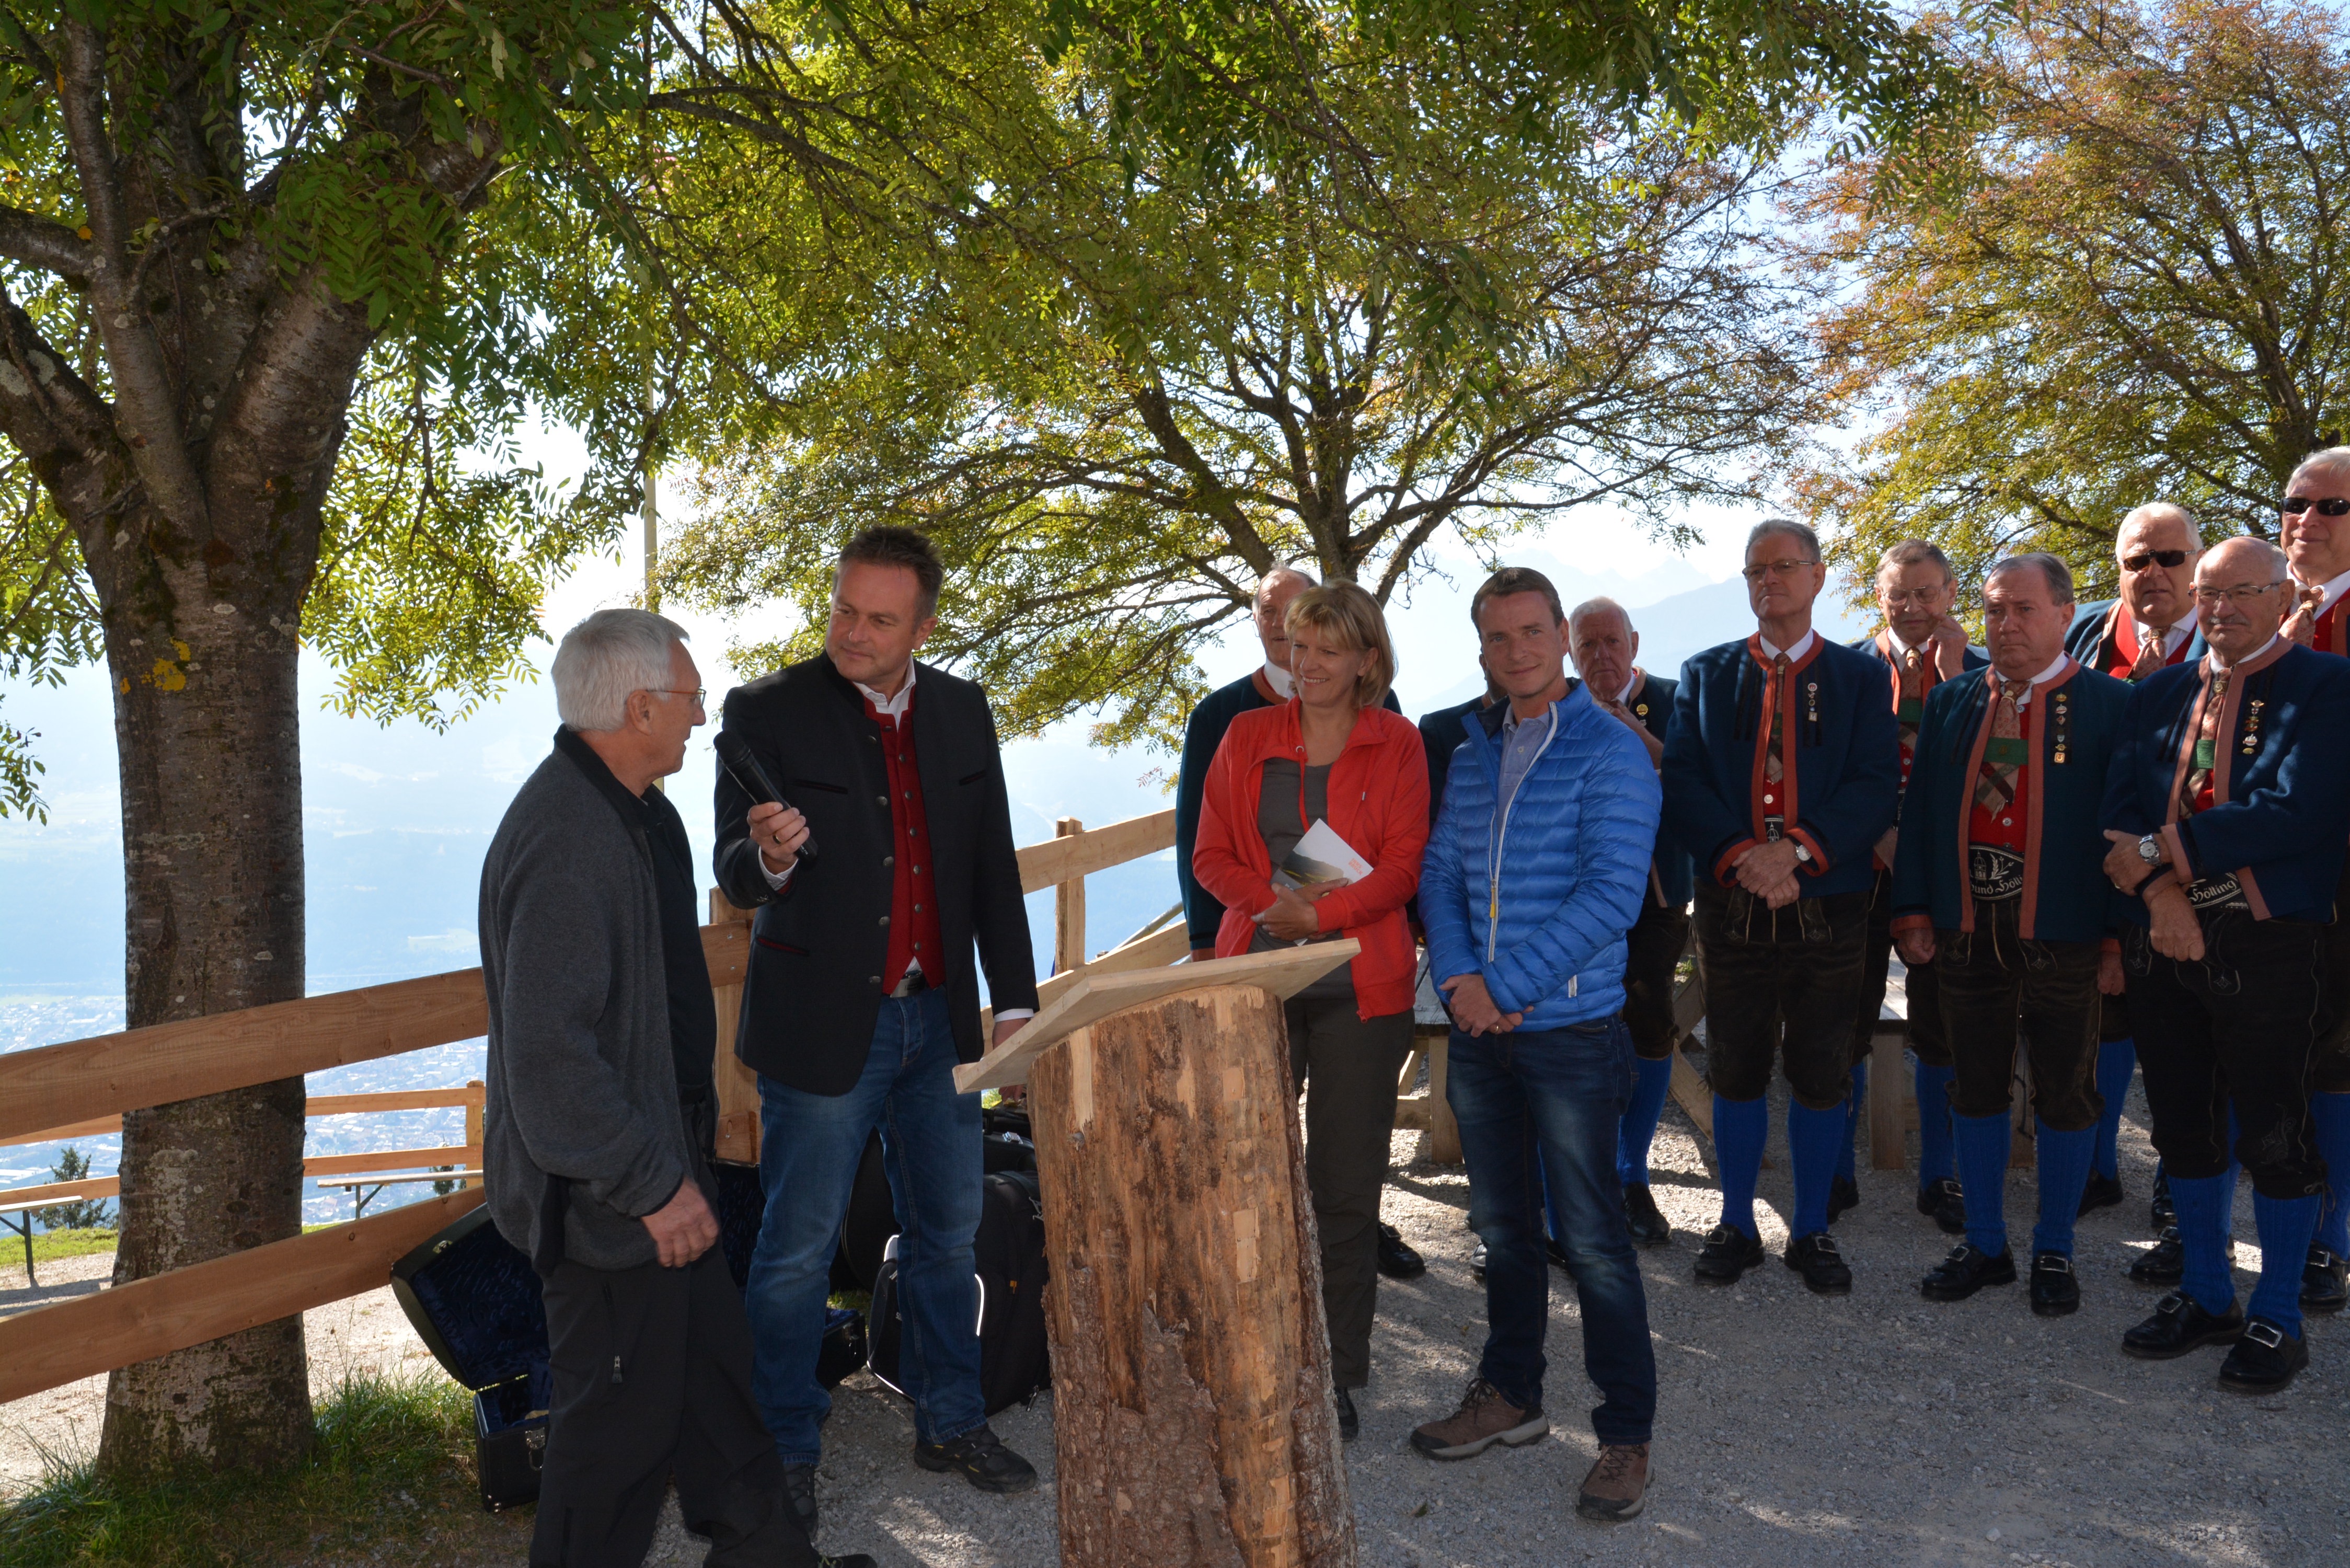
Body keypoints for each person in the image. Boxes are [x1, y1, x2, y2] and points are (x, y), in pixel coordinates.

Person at [479, 609, 869, 1568]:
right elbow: (550, 1063)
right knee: (612, 1439)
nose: (701, 717)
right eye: (690, 699)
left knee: (717, 1395)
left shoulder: (640, 812)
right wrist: (653, 1186)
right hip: (610, 1203)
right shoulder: (567, 839)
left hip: (660, 1160)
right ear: (640, 707)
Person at [713, 527, 1042, 1537]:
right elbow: (732, 871)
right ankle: (783, 1447)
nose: (853, 632)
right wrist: (769, 861)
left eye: (879, 620)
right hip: (821, 1030)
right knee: (795, 1252)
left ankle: (951, 1418)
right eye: (844, 610)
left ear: (923, 628)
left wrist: (1016, 1003)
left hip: (938, 1022)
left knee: (948, 1231)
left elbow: (990, 864)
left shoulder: (963, 709)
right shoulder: (764, 711)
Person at [1412, 566, 1662, 1523]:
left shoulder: (1612, 750)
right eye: (1497, 637)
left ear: (1562, 636)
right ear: (1481, 649)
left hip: (1569, 1036)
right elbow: (1440, 872)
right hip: (1483, 1034)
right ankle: (1511, 1397)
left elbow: (1612, 896)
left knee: (1593, 1243)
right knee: (1503, 1230)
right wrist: (1462, 984)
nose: (1515, 651)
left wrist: (1503, 989)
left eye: (1531, 631)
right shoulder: (1473, 751)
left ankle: (1626, 1435)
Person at [2101, 535, 2350, 1392]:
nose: (2223, 607)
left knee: (2276, 1129)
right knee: (2182, 1124)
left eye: (2244, 591)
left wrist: (2158, 854)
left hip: (2270, 940)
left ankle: (2279, 1314)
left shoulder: (2328, 685)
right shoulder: (2157, 691)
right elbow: (2117, 814)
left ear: (2282, 598)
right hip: (2161, 937)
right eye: (2210, 592)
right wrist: (2164, 899)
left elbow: (2299, 809)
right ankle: (2209, 1293)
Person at [1191, 582, 1429, 1444]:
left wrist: (1319, 915)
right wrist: (1276, 909)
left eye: (1329, 649)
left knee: (1344, 1186)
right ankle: (1247, 1360)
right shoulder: (1247, 734)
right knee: (1244, 1176)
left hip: (1363, 984)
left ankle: (1334, 1372)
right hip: (1257, 974)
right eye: (1300, 646)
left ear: (1367, 659)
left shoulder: (1398, 740)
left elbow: (1403, 865)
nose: (1310, 663)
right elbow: (1211, 854)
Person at [1661, 521, 1900, 1295]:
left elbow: (1875, 784)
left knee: (1822, 1069)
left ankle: (1811, 1229)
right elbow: (1683, 781)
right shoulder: (1706, 673)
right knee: (1735, 1065)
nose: (1769, 581)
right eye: (1755, 570)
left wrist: (1794, 852)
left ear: (1818, 577)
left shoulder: (1861, 677)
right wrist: (1744, 856)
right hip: (1732, 906)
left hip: (1830, 903)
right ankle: (1735, 1223)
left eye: (1785, 567)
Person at [1890, 556, 2132, 1316]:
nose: (2007, 625)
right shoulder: (1952, 699)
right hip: (1966, 928)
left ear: (2064, 614)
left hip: (2067, 932)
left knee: (2066, 1092)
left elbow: (2126, 828)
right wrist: (1913, 910)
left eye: (2024, 610)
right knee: (1976, 1085)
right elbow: (1920, 814)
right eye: (1995, 610)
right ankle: (1986, 1243)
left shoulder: (2111, 703)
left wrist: (2117, 940)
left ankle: (2054, 1246)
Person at [2065, 502, 2208, 1229]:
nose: (2152, 572)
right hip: (2091, 861)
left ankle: (2177, 1190)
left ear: (2197, 565)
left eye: (2169, 558)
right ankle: (2097, 1167)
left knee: (2189, 1046)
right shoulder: (2086, 630)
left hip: (2196, 874)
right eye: (2135, 560)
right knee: (2102, 1019)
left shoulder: (2231, 633)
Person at [1849, 539, 1984, 1235]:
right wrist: (1877, 831)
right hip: (1858, 867)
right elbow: (1828, 773)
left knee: (1943, 1023)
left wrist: (1956, 677)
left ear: (1951, 594)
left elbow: (1988, 776)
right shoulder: (1846, 671)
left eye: (1925, 593)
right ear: (1879, 597)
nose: (1911, 607)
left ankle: (1941, 1171)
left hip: (1944, 873)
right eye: (1898, 594)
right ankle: (1835, 1168)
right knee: (1845, 1016)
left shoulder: (1984, 671)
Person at [1567, 596, 1695, 1247]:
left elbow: (1697, 790)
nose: (1601, 657)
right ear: (1569, 653)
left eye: (1611, 642)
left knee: (1647, 1019)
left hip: (1656, 894)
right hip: (1574, 897)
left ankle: (1631, 1173)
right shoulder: (1558, 707)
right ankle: (1580, 1177)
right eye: (1586, 646)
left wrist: (1632, 735)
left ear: (1634, 643)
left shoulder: (1675, 698)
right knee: (1576, 1028)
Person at [2277, 447, 2350, 1315]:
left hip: (2341, 876)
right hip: (2253, 872)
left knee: (2336, 1056)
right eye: (2298, 502)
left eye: (2334, 507)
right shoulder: (2250, 607)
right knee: (2253, 1047)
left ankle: (2331, 1238)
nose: (2310, 519)